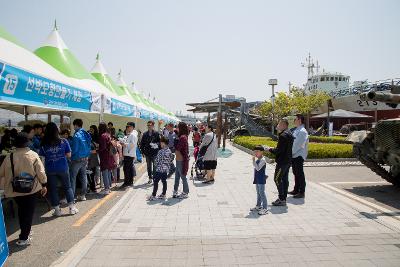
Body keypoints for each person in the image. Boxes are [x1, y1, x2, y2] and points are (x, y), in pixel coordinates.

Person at [0, 132, 47, 246]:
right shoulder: (33, 155)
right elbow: (40, 172)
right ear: (27, 143)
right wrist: (44, 184)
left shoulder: (9, 156)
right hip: (31, 189)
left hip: (15, 189)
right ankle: (24, 238)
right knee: (28, 213)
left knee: (22, 211)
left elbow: (1, 173)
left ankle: (26, 231)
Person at [39, 122, 79, 216]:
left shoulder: (43, 144)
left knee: (53, 189)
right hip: (63, 168)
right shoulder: (64, 141)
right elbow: (69, 155)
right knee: (67, 187)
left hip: (50, 169)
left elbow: (42, 159)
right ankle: (72, 208)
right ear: (57, 130)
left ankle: (57, 210)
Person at [265, 118, 294, 206]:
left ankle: (281, 198)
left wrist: (269, 149)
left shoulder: (283, 136)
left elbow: (279, 150)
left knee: (277, 179)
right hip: (288, 160)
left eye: (280, 124)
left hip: (282, 161)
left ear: (285, 125)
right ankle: (283, 198)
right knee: (284, 179)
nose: (278, 126)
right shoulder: (289, 133)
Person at [70, 119, 92, 201]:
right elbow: (89, 145)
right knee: (83, 176)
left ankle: (71, 197)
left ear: (75, 125)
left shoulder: (76, 135)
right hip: (85, 158)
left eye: (74, 126)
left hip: (77, 159)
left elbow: (74, 149)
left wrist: (70, 156)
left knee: (73, 178)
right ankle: (83, 195)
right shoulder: (86, 133)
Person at [289, 114, 309, 199]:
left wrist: (290, 153)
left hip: (298, 155)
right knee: (295, 173)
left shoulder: (302, 131)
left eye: (295, 119)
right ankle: (296, 189)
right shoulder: (297, 130)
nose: (294, 121)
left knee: (299, 174)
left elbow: (298, 145)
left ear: (300, 120)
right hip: (295, 155)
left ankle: (301, 192)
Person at [148, 136, 173, 201]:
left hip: (159, 170)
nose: (160, 144)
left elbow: (156, 161)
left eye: (161, 143)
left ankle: (153, 195)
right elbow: (170, 159)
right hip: (165, 170)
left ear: (164, 143)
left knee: (156, 182)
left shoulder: (160, 152)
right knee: (164, 181)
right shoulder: (169, 151)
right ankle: (163, 194)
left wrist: (156, 165)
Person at [173, 122, 190, 199]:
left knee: (183, 176)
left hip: (181, 159)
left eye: (178, 127)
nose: (177, 128)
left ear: (181, 128)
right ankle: (175, 190)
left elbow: (178, 149)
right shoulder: (183, 136)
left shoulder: (183, 137)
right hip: (179, 159)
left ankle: (185, 192)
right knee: (177, 176)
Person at [250, 145, 268, 215]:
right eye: (254, 152)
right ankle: (258, 206)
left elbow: (257, 168)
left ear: (261, 152)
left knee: (262, 193)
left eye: (257, 152)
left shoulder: (263, 160)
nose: (255, 153)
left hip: (261, 179)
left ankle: (265, 208)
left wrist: (253, 161)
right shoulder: (258, 159)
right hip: (257, 178)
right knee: (258, 193)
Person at [98, 123, 115, 195]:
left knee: (104, 172)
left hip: (104, 156)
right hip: (109, 155)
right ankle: (108, 187)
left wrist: (97, 150)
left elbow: (103, 147)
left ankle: (106, 189)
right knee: (108, 171)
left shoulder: (102, 136)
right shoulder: (108, 134)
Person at [119, 122, 138, 187]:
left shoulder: (132, 135)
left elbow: (132, 144)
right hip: (129, 153)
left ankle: (127, 182)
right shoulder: (130, 134)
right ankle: (130, 181)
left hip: (129, 154)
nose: (127, 128)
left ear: (132, 127)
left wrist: (124, 144)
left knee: (126, 169)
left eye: (129, 126)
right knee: (129, 169)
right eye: (127, 126)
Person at [88, 125, 100, 193]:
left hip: (95, 155)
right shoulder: (89, 135)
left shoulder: (97, 136)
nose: (91, 130)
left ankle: (95, 183)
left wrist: (95, 145)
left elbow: (99, 147)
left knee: (96, 170)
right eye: (90, 129)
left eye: (92, 129)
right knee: (91, 171)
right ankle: (92, 186)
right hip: (90, 156)